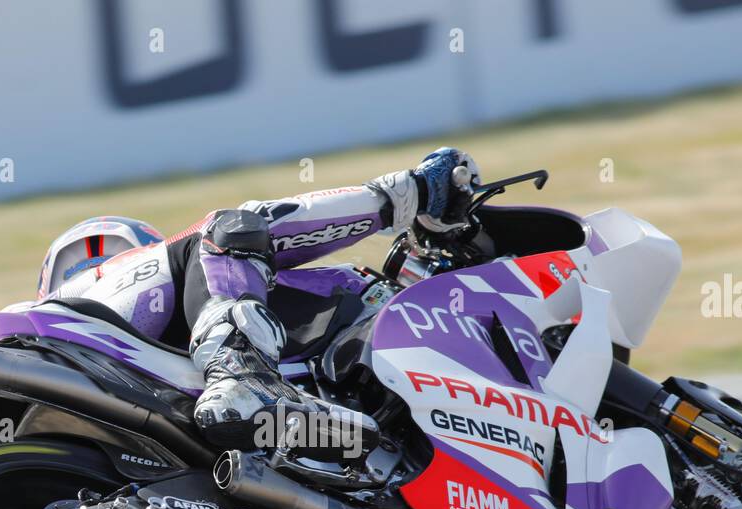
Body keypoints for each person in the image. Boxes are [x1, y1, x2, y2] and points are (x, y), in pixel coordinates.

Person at [38, 147, 481, 453]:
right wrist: (411, 195)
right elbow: (250, 226)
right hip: (111, 362)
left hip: (168, 441)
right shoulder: (147, 273)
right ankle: (243, 377)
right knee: (235, 227)